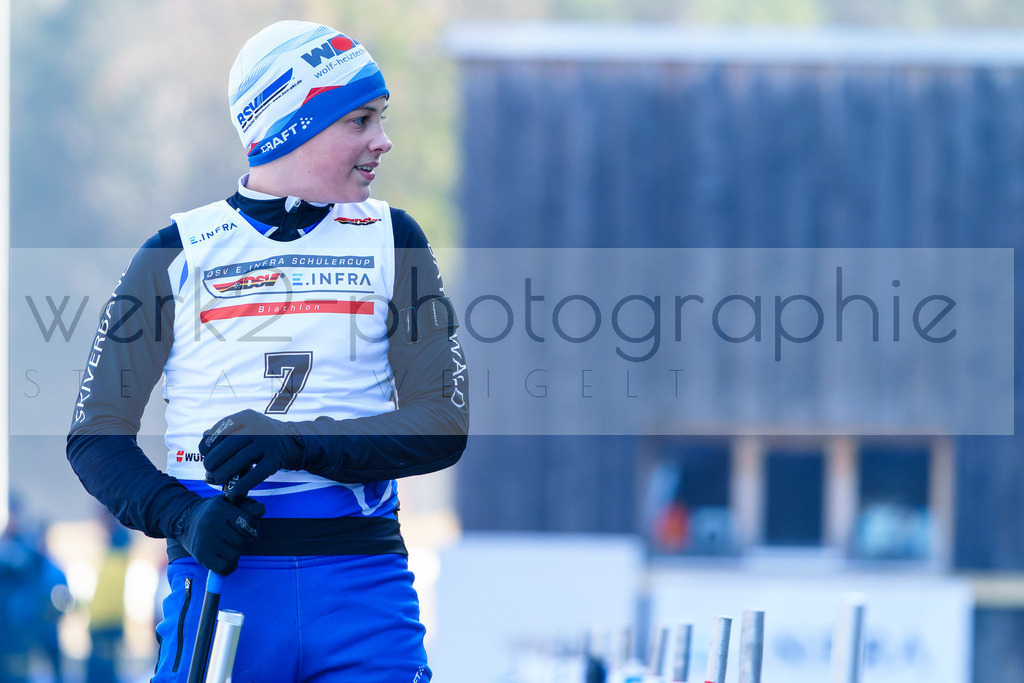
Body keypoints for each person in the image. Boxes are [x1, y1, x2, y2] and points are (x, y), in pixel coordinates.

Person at [67, 19, 469, 683]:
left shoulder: (394, 237)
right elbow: (95, 439)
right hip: (225, 583)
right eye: (361, 120)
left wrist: (297, 442)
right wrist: (185, 515)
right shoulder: (176, 251)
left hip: (362, 587)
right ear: (295, 125)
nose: (382, 140)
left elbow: (442, 425)